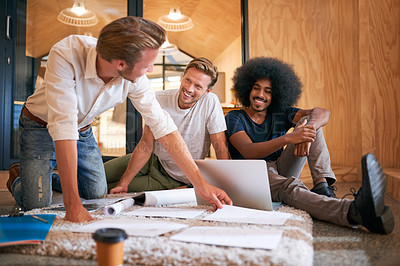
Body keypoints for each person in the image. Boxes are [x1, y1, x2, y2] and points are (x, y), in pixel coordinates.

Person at [6, 17, 231, 223]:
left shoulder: (136, 77)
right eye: (147, 65)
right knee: (36, 204)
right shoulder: (67, 53)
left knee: (96, 192)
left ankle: (45, 175)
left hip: (82, 130)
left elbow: (164, 127)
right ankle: (19, 176)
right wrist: (72, 206)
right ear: (121, 64)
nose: (151, 70)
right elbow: (63, 126)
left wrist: (202, 186)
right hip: (39, 125)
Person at [225, 57, 394, 234]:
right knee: (288, 186)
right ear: (246, 89)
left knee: (309, 121)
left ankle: (322, 186)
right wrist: (289, 138)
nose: (261, 95)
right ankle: (352, 212)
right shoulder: (235, 117)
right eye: (256, 88)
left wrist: (308, 130)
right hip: (253, 173)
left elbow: (322, 113)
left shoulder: (280, 114)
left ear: (276, 95)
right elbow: (248, 151)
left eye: (268, 91)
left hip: (280, 166)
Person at [105, 57, 230, 194]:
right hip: (152, 159)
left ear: (207, 91)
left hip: (173, 178)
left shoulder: (210, 103)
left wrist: (224, 187)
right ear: (182, 77)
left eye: (198, 86)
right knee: (96, 176)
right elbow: (146, 144)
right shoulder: (159, 99)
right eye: (188, 80)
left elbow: (220, 148)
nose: (189, 89)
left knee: (101, 190)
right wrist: (124, 183)